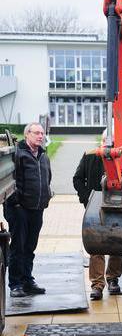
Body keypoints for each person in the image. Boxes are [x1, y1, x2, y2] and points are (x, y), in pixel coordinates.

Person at [73, 131, 122, 300]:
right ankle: (97, 284)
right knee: (96, 244)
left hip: (118, 206)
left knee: (117, 242)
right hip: (94, 207)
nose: (108, 146)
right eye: (106, 141)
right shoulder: (89, 156)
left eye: (113, 142)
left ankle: (113, 278)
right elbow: (77, 179)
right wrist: (87, 198)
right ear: (101, 142)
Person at [4, 122, 52, 298]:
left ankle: (27, 280)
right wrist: (17, 202)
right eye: (36, 133)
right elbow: (11, 180)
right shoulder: (18, 154)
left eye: (42, 133)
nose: (40, 136)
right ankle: (15, 284)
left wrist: (46, 197)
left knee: (30, 246)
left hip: (37, 208)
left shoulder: (43, 156)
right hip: (19, 209)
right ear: (27, 135)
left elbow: (48, 179)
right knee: (18, 246)